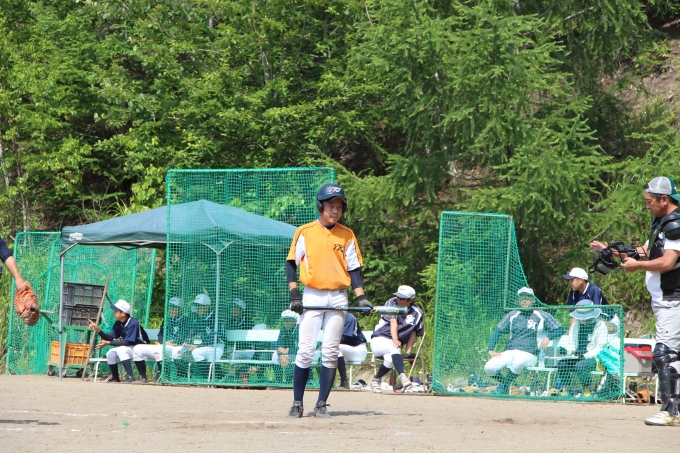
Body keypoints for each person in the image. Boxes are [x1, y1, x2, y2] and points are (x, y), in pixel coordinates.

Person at [591, 176, 680, 426]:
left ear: (664, 199)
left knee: (665, 354)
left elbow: (667, 262)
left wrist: (637, 266)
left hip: (673, 298)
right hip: (664, 300)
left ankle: (671, 412)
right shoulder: (661, 222)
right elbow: (645, 251)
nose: (647, 205)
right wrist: (612, 251)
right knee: (673, 355)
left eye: (650, 201)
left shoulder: (675, 225)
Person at [285, 183, 371, 419]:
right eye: (331, 205)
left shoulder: (347, 234)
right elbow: (291, 263)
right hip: (312, 294)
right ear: (320, 206)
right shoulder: (305, 231)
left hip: (338, 296)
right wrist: (295, 294)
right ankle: (297, 403)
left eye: (339, 207)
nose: (335, 210)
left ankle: (321, 403)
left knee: (331, 351)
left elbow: (353, 269)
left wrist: (361, 297)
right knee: (305, 350)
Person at [484, 287, 565, 394]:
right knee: (489, 368)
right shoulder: (512, 315)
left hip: (530, 353)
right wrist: (490, 349)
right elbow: (497, 331)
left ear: (533, 300)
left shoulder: (542, 315)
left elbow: (560, 329)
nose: (524, 300)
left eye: (527, 298)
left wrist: (548, 337)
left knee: (518, 363)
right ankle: (507, 384)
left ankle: (504, 387)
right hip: (510, 351)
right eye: (522, 298)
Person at [369, 285, 423, 394]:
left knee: (390, 360)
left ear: (411, 300)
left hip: (393, 347)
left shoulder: (417, 312)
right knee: (394, 346)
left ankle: (374, 380)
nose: (398, 299)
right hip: (379, 339)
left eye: (402, 298)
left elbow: (413, 332)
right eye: (398, 296)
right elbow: (393, 322)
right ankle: (403, 377)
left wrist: (408, 352)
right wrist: (395, 339)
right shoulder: (392, 302)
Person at [88, 300, 149, 383]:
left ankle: (130, 377)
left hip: (143, 347)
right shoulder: (118, 323)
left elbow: (127, 342)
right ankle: (115, 377)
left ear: (123, 313)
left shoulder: (133, 323)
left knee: (121, 350)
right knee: (110, 353)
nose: (114, 313)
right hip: (131, 347)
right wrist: (98, 330)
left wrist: (108, 343)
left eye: (116, 311)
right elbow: (109, 338)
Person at [555, 301, 608, 395]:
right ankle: (567, 389)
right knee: (562, 364)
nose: (583, 319)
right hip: (576, 356)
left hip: (593, 358)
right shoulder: (576, 325)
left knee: (580, 366)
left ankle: (587, 390)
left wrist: (585, 356)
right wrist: (566, 351)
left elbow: (600, 348)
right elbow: (572, 345)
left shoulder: (601, 325)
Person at [131, 297, 187, 383]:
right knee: (137, 348)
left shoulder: (185, 321)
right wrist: (163, 343)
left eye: (174, 307)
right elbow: (160, 335)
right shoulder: (167, 320)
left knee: (159, 349)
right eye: (170, 307)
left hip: (176, 348)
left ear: (180, 309)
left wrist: (165, 344)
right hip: (163, 346)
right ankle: (143, 377)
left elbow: (184, 337)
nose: (171, 309)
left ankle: (163, 375)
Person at [186, 293, 225, 379]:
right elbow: (191, 334)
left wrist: (197, 346)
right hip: (204, 347)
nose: (197, 309)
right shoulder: (197, 319)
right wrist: (187, 342)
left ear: (206, 307)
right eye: (196, 306)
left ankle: (207, 378)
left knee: (196, 352)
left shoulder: (215, 319)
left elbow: (214, 339)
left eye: (199, 306)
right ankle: (217, 377)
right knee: (182, 352)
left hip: (216, 347)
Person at [337, 313, 368, 389]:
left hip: (358, 350)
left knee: (334, 348)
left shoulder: (349, 317)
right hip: (347, 350)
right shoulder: (332, 318)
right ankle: (329, 383)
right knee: (331, 349)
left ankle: (344, 382)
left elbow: (344, 338)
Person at [271, 310, 300, 382]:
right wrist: (281, 355)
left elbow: (300, 347)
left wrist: (287, 351)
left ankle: (305, 379)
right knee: (275, 355)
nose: (286, 323)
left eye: (289, 320)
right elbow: (279, 346)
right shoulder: (283, 329)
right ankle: (279, 381)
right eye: (285, 320)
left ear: (294, 321)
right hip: (290, 353)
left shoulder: (299, 329)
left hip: (303, 353)